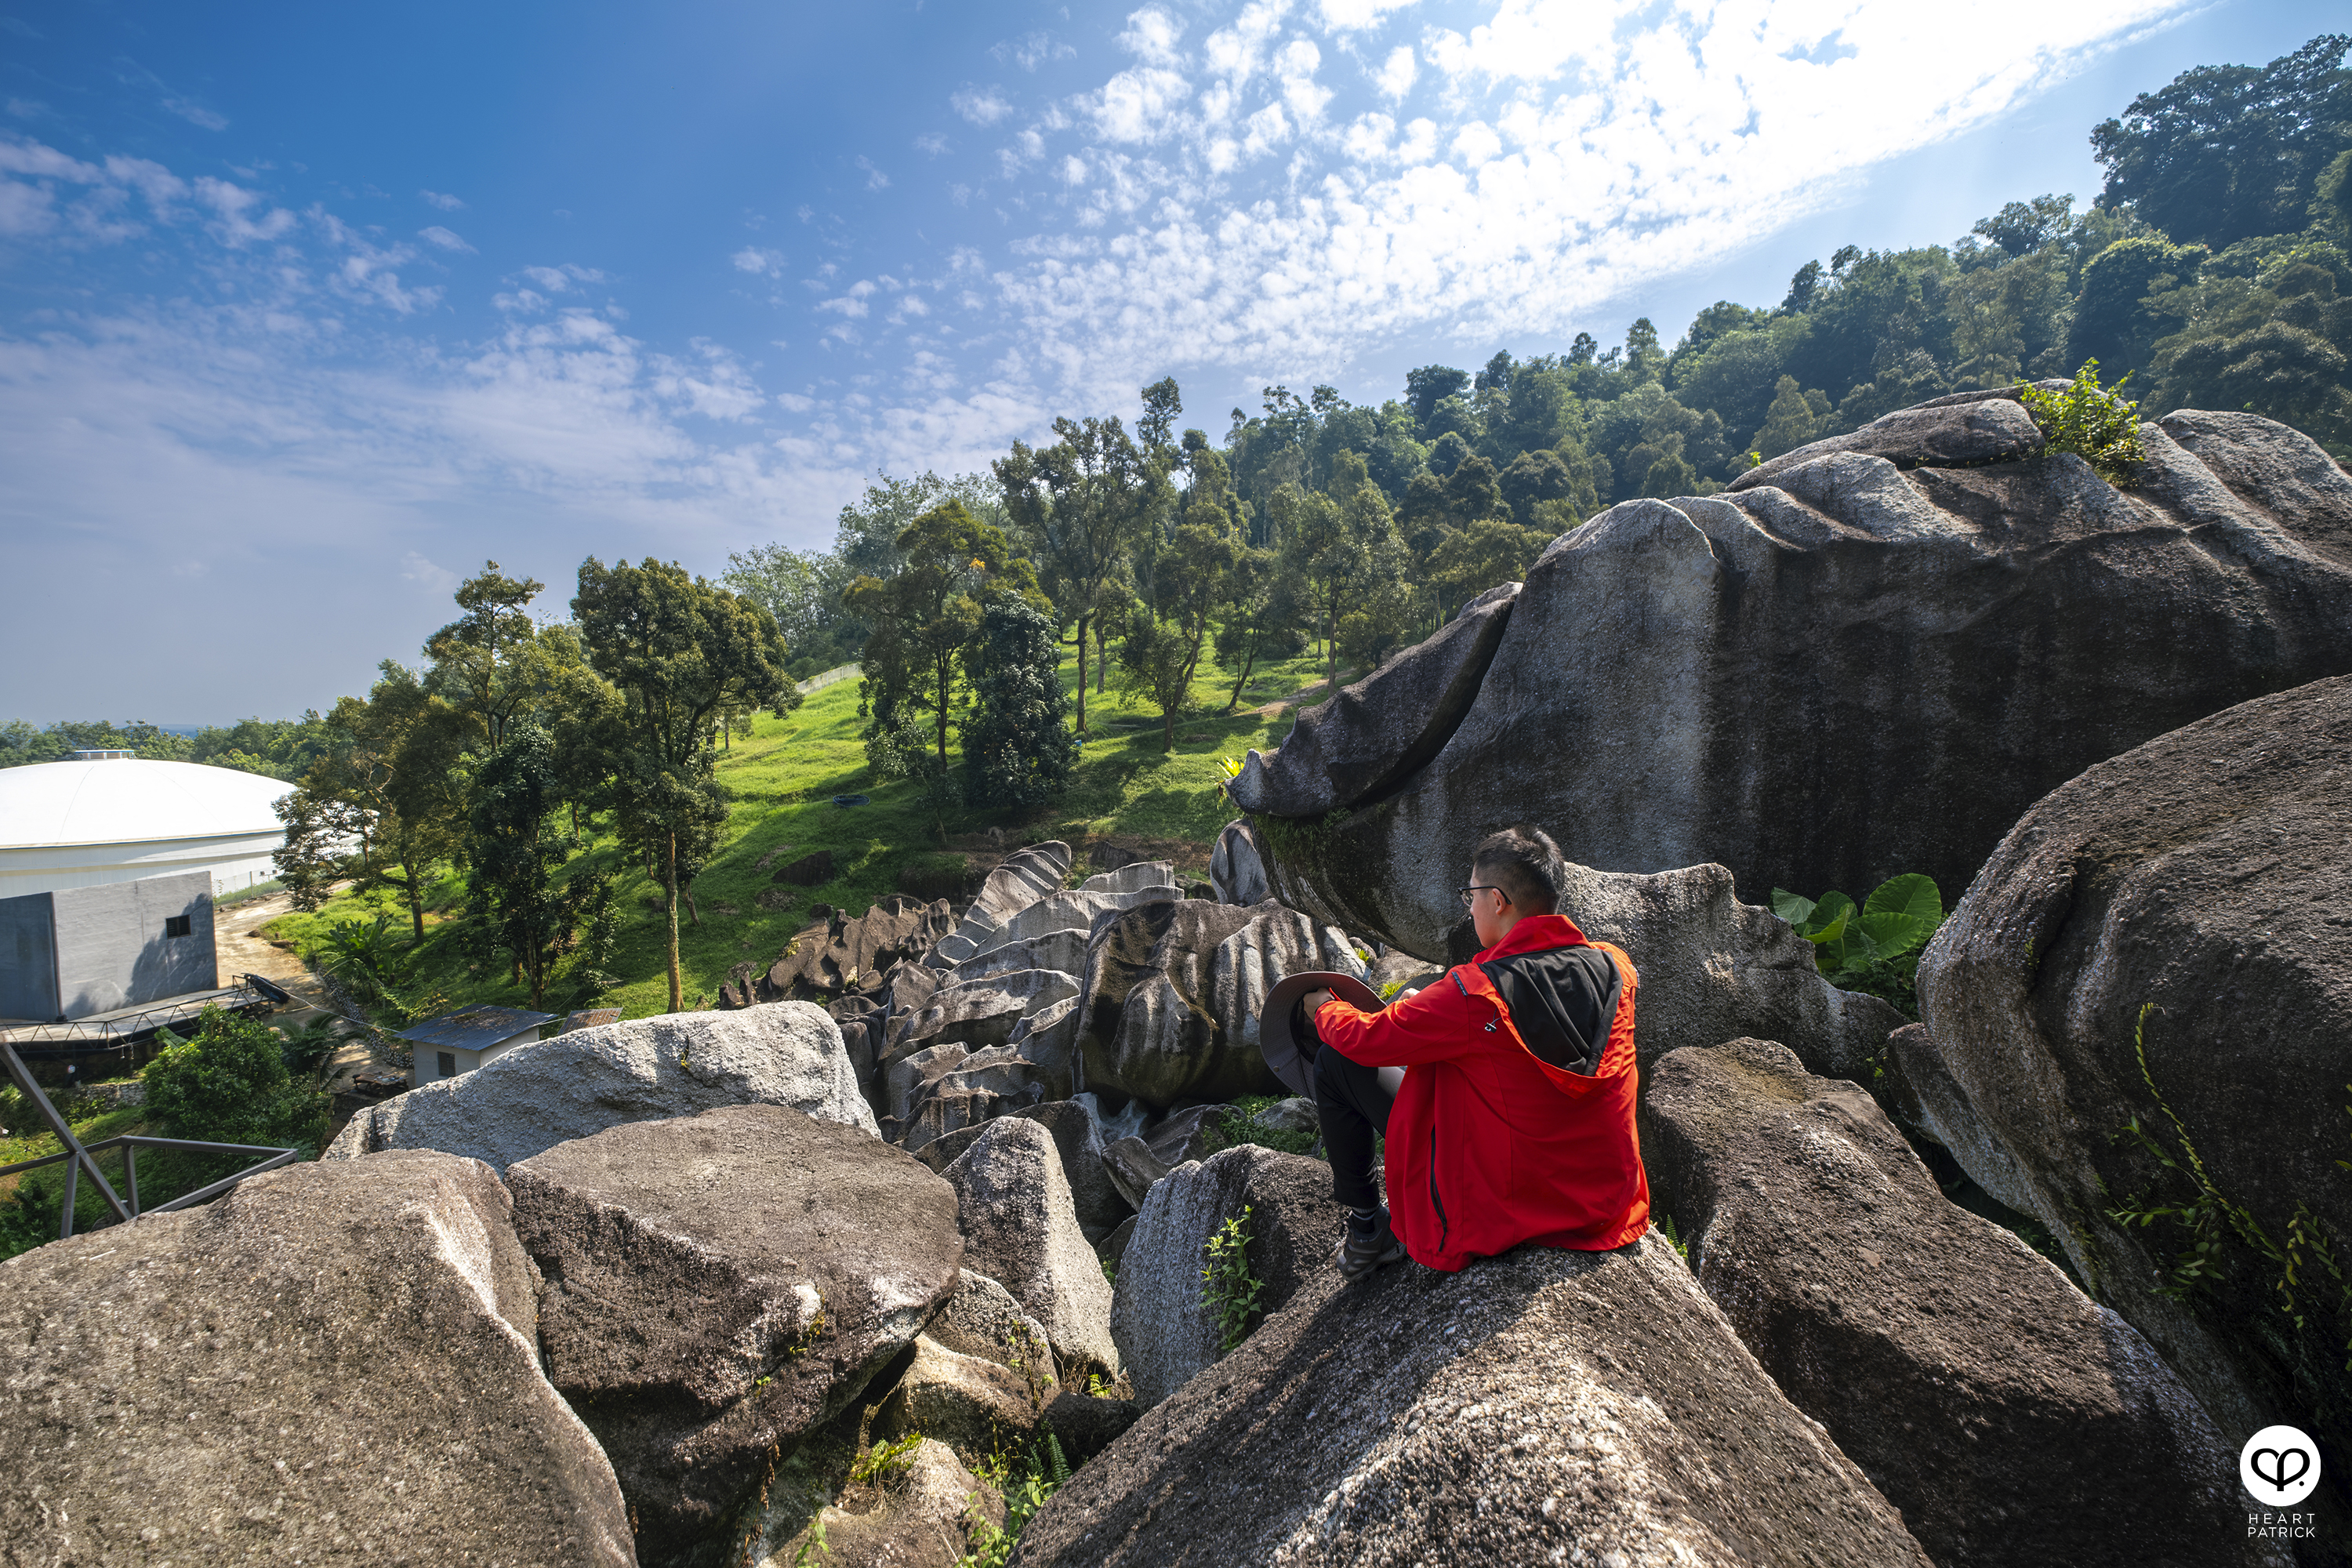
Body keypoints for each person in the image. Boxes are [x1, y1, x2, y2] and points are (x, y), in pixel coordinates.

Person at [1298, 823, 1649, 1279]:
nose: (1470, 907)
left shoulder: (1473, 993)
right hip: (1606, 1206)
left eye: (1472, 895)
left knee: (1335, 1061)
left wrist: (1323, 1007)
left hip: (1510, 1207)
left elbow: (1364, 1039)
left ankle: (1368, 1230)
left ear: (1498, 900)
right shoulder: (1615, 967)